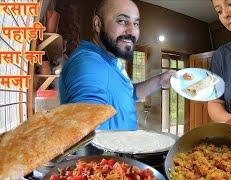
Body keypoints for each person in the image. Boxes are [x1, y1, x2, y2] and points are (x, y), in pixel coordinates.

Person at [59, 0, 174, 130]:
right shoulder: (88, 65)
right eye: (122, 21)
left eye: (136, 23)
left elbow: (128, 93)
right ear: (97, 24)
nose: (131, 31)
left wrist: (159, 81)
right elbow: (88, 136)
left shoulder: (110, 58)